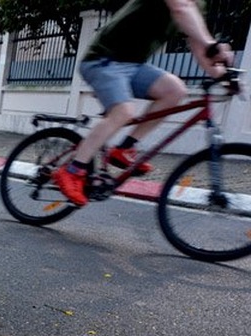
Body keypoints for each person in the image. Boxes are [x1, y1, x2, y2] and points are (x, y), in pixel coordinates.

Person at [53, 0, 233, 207]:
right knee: (124, 111)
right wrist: (212, 45)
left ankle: (124, 148)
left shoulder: (197, 4)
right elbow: (180, 8)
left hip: (132, 65)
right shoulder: (184, 5)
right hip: (103, 60)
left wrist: (224, 76)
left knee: (175, 90)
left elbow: (199, 46)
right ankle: (73, 170)